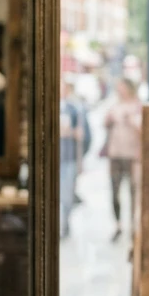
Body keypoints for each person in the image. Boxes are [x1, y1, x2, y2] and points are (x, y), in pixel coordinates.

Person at [103, 78, 142, 242]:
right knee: (115, 191)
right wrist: (110, 119)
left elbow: (142, 129)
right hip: (115, 154)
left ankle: (134, 225)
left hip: (132, 155)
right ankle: (118, 224)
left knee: (133, 192)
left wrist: (131, 119)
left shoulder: (137, 106)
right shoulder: (114, 105)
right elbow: (104, 124)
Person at [59, 79, 85, 238]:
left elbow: (81, 135)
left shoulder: (73, 109)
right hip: (54, 160)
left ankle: (65, 224)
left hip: (68, 158)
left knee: (67, 194)